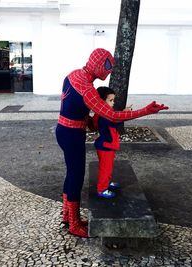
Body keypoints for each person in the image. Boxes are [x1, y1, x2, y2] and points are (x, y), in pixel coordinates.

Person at [56, 48, 168, 238]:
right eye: (107, 65)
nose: (109, 71)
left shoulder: (73, 75)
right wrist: (146, 111)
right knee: (76, 175)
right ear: (98, 64)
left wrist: (87, 120)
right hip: (72, 134)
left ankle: (68, 215)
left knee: (72, 173)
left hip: (64, 130)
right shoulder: (88, 89)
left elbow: (74, 107)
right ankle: (74, 223)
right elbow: (112, 115)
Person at [93, 86, 131, 198]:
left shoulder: (105, 113)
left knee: (108, 167)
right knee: (105, 168)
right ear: (101, 101)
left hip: (107, 146)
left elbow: (114, 119)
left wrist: (123, 113)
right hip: (106, 146)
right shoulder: (104, 115)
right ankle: (102, 189)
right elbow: (115, 121)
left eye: (113, 100)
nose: (113, 103)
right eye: (110, 100)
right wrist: (125, 113)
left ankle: (107, 183)